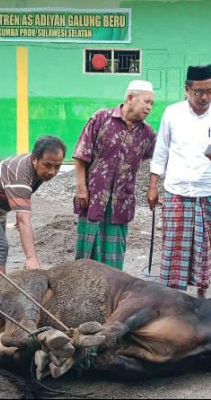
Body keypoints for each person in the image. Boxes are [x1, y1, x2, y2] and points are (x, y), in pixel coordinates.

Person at [74, 80, 156, 270]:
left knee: (113, 260)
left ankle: (110, 296)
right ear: (130, 98)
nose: (149, 107)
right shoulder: (101, 118)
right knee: (86, 255)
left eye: (152, 104)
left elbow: (157, 158)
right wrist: (81, 188)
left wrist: (152, 186)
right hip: (92, 198)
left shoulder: (147, 134)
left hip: (121, 204)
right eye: (146, 101)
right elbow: (81, 155)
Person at [0, 136, 66, 283]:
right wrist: (31, 258)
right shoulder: (21, 175)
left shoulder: (36, 170)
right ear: (34, 158)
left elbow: (23, 198)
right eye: (47, 165)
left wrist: (19, 212)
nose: (52, 172)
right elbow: (24, 220)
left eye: (57, 166)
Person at [148, 65, 211, 299]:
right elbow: (161, 151)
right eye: (199, 92)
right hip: (177, 190)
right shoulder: (172, 113)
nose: (205, 97)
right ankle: (172, 298)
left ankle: (202, 294)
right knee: (174, 246)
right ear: (187, 90)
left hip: (208, 191)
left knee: (205, 246)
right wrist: (153, 185)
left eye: (210, 91)